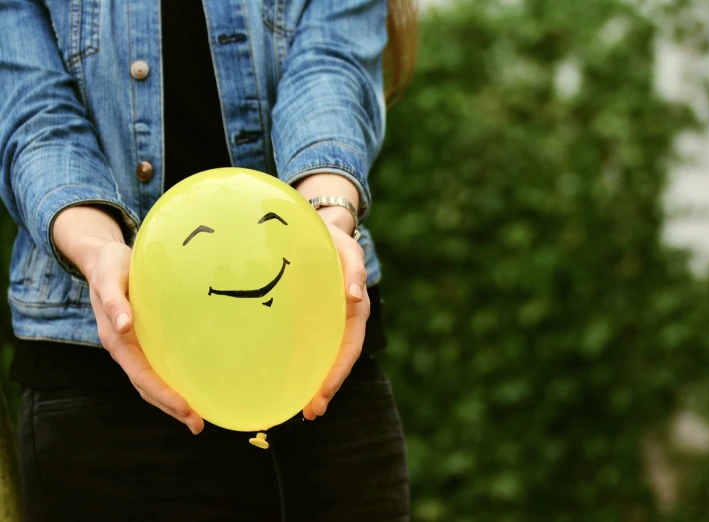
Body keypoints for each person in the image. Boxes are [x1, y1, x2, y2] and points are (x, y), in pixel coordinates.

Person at [0, 0, 417, 520]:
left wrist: (327, 218)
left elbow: (331, 67)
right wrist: (99, 252)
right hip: (99, 377)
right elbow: (33, 112)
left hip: (318, 359)